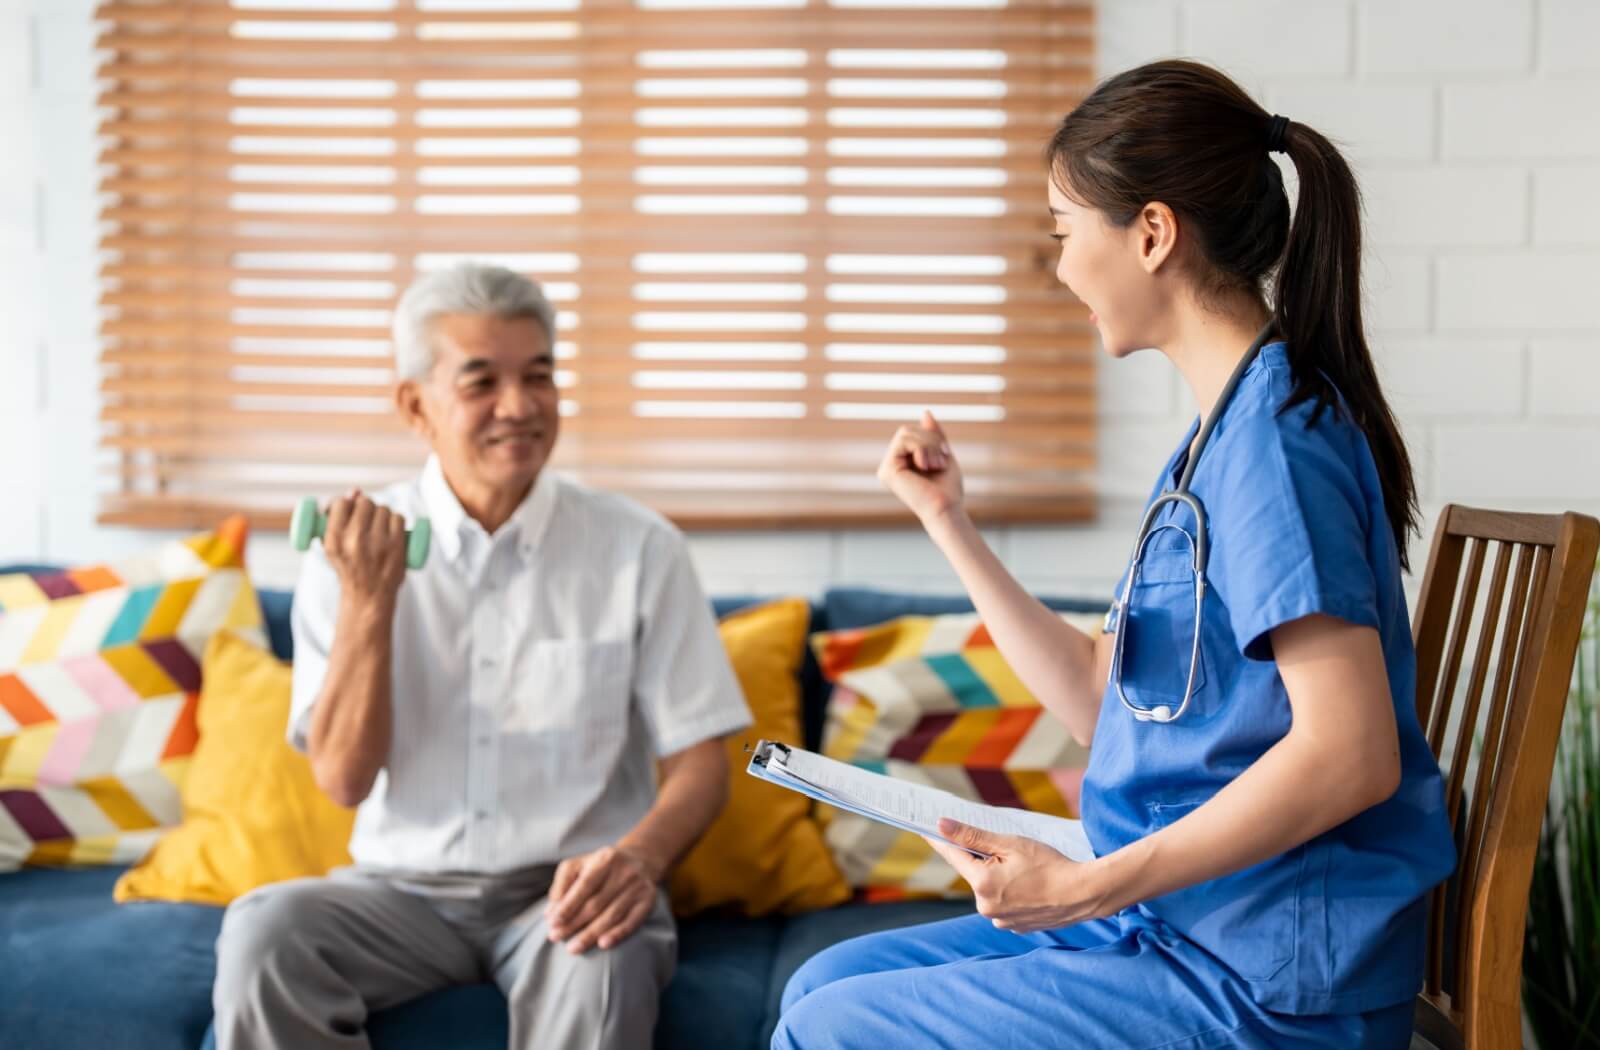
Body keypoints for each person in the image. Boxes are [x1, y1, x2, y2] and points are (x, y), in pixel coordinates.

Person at [772, 59, 1455, 1050]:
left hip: (1263, 983)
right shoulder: (1221, 436)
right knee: (823, 981)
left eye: (1062, 230)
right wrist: (947, 523)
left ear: (1150, 233)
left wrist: (1086, 885)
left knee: (832, 1029)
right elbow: (1109, 699)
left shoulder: (1274, 447)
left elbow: (1347, 754)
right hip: (1183, 929)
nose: (1056, 269)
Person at [212, 263, 751, 1050]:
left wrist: (637, 860)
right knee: (264, 931)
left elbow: (703, 765)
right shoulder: (349, 551)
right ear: (415, 405)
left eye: (539, 376)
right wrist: (371, 598)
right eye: (481, 382)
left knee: (606, 959)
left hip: (565, 894)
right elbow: (341, 780)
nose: (520, 406)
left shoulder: (641, 547)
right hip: (398, 896)